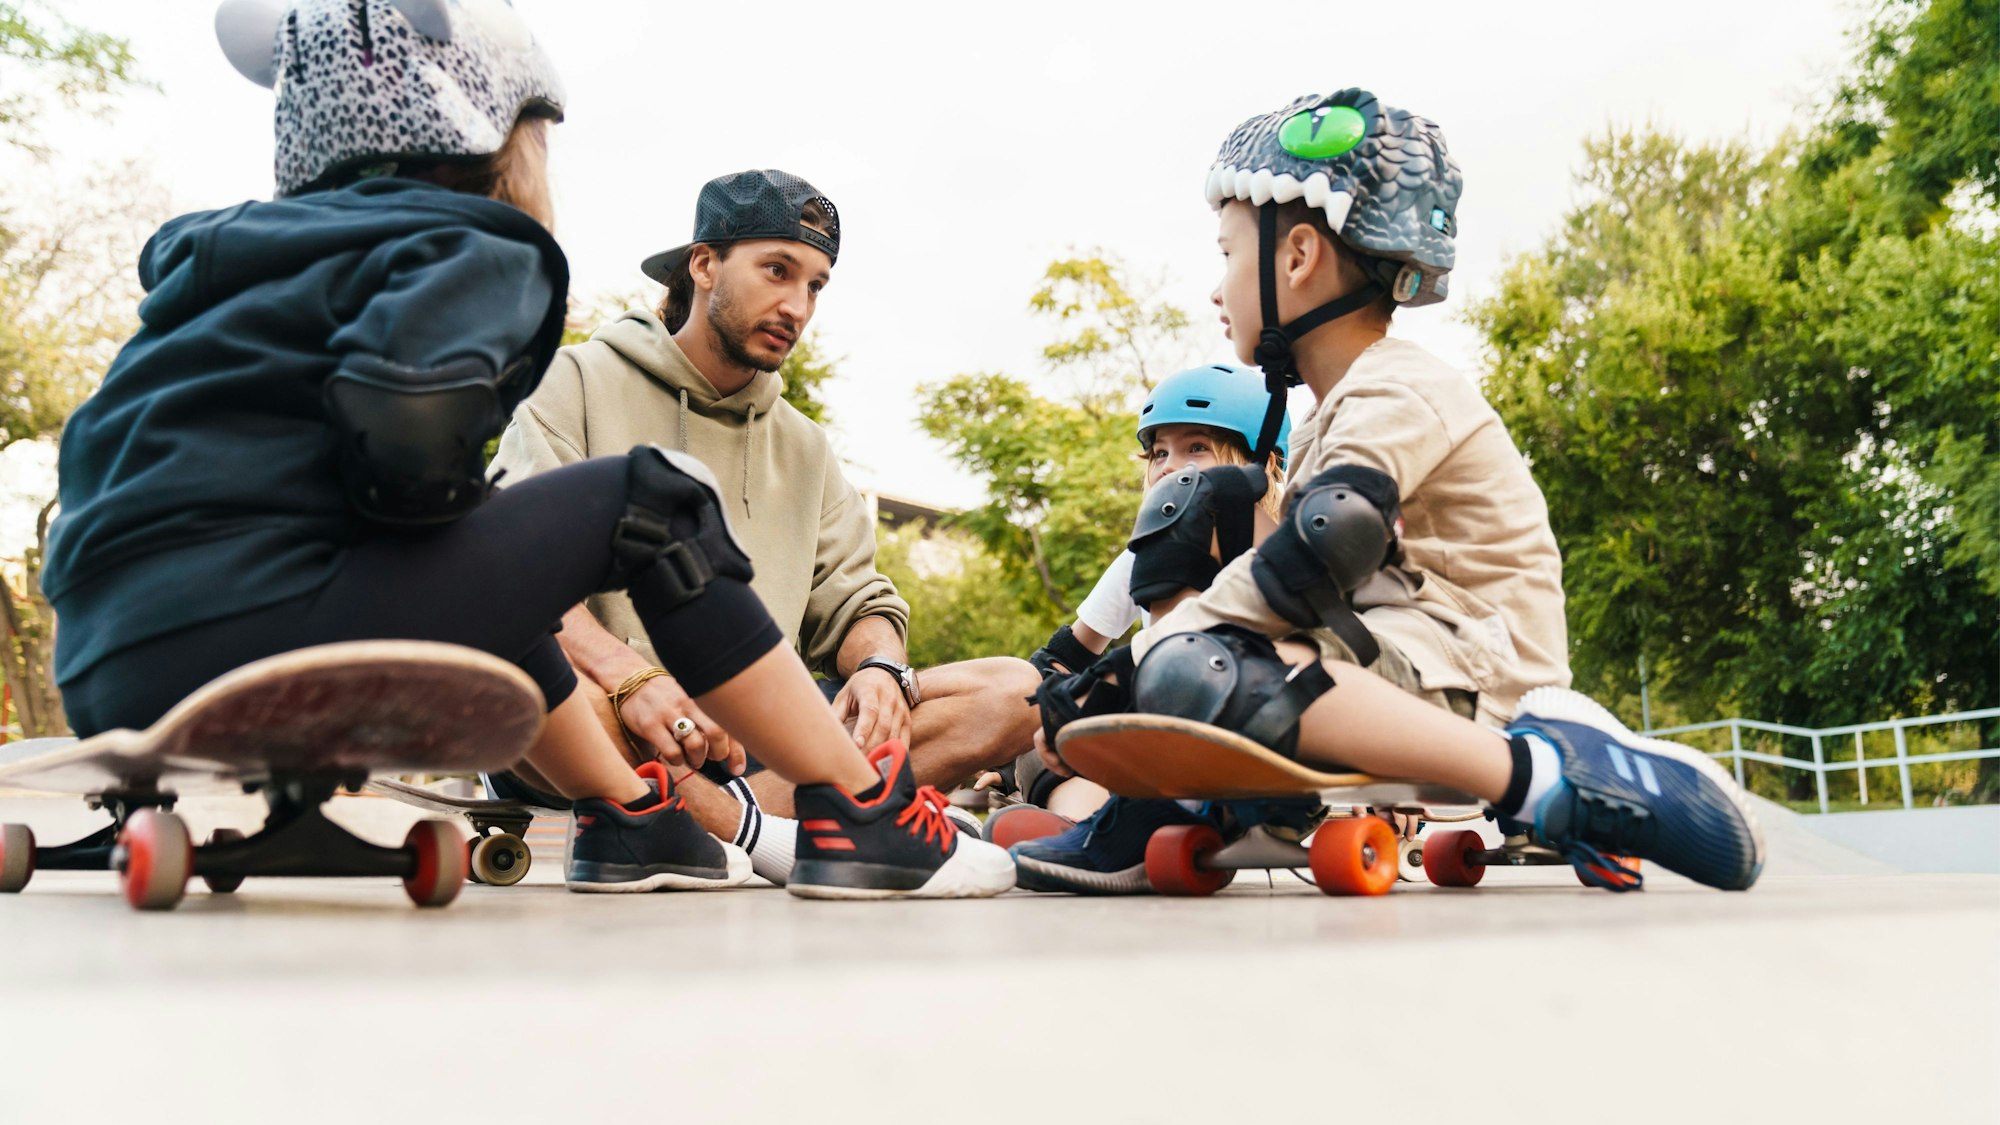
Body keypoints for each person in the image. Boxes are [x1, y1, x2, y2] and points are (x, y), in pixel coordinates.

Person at [41, 0, 1013, 901]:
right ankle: (865, 812)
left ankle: (630, 817)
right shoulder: (470, 244)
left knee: (493, 564)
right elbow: (410, 440)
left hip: (106, 667)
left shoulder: (228, 265)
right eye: (538, 135)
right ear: (492, 131)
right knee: (654, 499)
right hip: (260, 630)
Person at [1011, 88, 1764, 895]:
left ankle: (1548, 773)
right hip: (1401, 645)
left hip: (1481, 664)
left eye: (1227, 254)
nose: (1217, 288)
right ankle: (1176, 814)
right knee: (1205, 528)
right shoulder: (1326, 416)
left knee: (1200, 660)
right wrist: (1121, 674)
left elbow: (1332, 539)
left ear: (1297, 257)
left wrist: (1164, 649)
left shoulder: (1399, 386)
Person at [488, 169, 1042, 883]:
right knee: (516, 658)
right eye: (778, 271)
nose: (798, 305)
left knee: (1016, 690)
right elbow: (513, 575)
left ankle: (733, 824)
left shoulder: (806, 446)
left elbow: (859, 601)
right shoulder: (578, 379)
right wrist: (631, 677)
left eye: (815, 285)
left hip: (752, 747)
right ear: (705, 264)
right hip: (608, 722)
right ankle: (788, 829)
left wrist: (878, 665)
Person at [983, 364, 1289, 839]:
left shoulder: (1289, 557)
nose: (1168, 465)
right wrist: (1008, 747)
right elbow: (1062, 660)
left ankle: (1118, 828)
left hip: (1251, 739)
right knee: (1050, 716)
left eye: (1196, 448)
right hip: (1151, 742)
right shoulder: (1140, 557)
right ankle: (1078, 827)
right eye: (1158, 452)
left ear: (1264, 465)